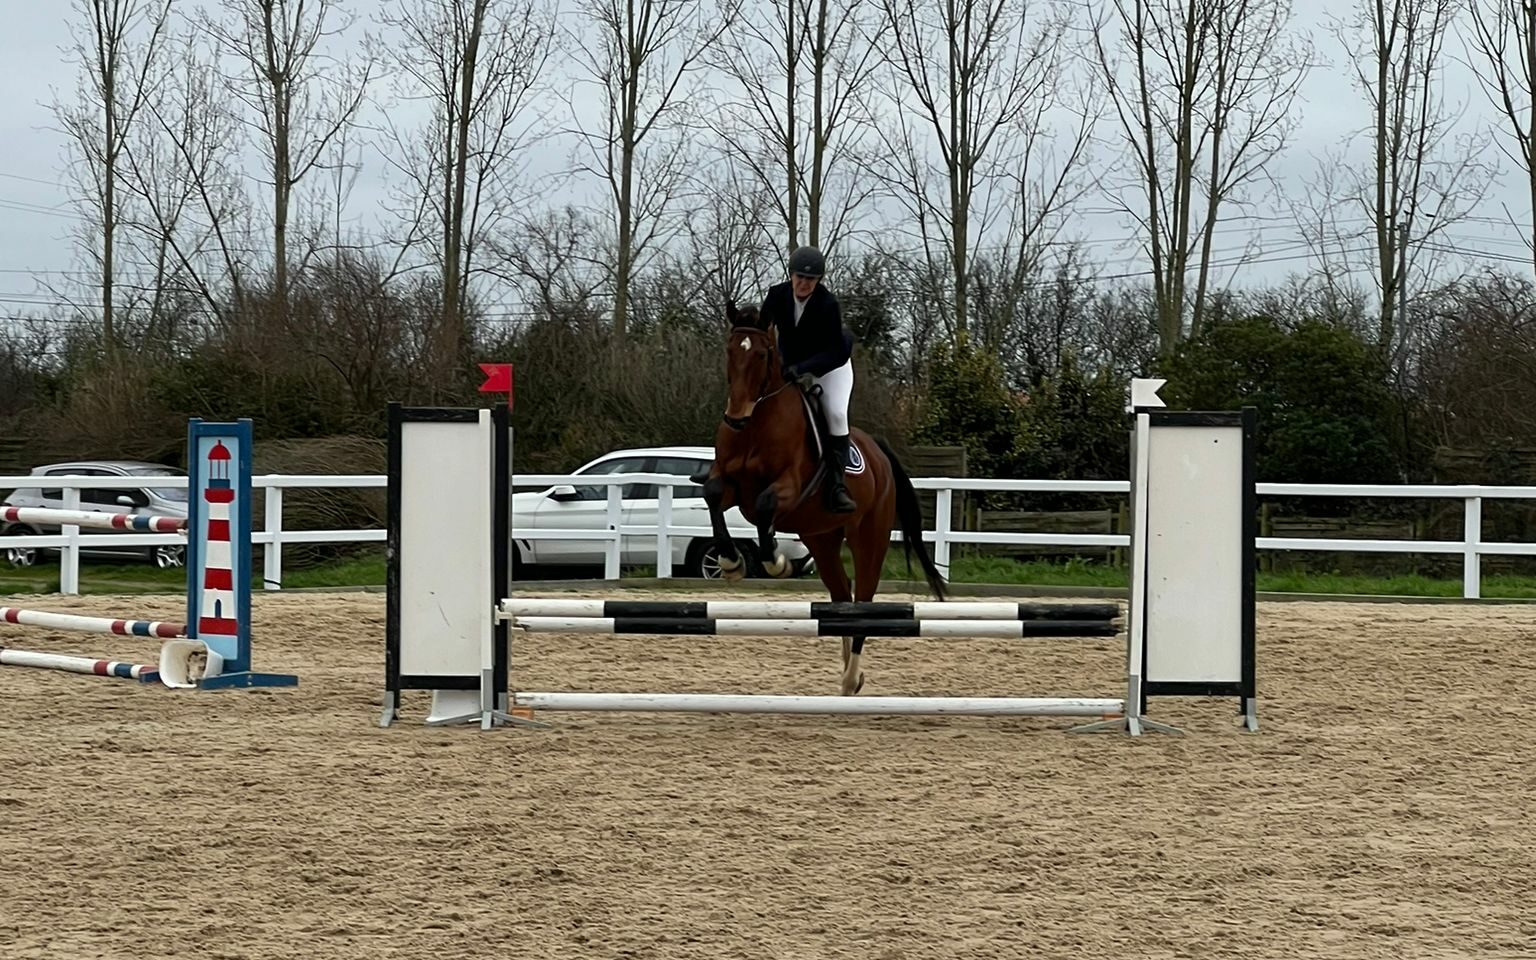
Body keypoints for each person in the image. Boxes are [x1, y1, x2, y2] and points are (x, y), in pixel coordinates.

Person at [759, 245, 858, 513]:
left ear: (818, 281)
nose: (804, 283)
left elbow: (836, 351)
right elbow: (762, 330)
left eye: (810, 279)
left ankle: (837, 486)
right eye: (800, 277)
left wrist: (802, 368)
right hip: (792, 364)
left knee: (836, 414)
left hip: (830, 367)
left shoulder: (828, 304)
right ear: (791, 275)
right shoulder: (776, 295)